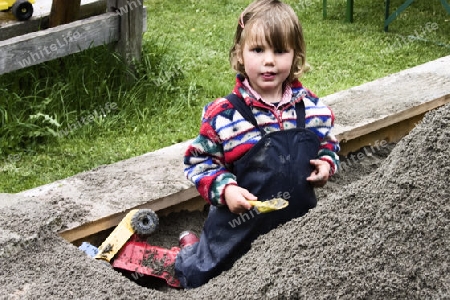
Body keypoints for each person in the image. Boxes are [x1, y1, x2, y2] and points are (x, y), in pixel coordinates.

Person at [175, 0, 340, 289]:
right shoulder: (225, 116)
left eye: (280, 51)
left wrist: (326, 163)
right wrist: (226, 189)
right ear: (239, 54)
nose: (269, 61)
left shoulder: (312, 109)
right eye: (258, 50)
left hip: (295, 229)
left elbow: (328, 142)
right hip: (238, 230)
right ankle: (190, 249)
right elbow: (199, 161)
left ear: (296, 56)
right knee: (199, 276)